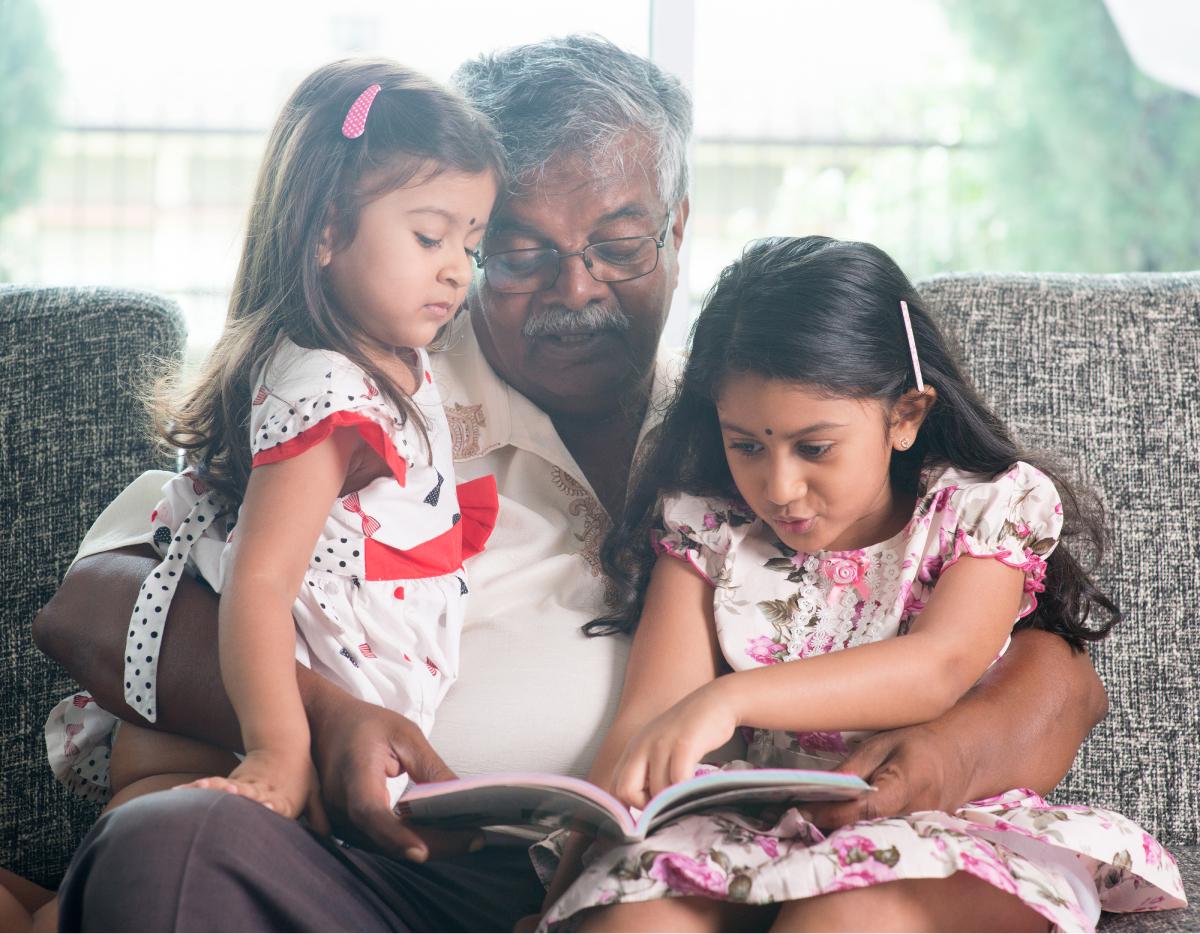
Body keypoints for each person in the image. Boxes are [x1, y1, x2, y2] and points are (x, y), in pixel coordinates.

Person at [32, 37, 1109, 932]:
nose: (576, 288)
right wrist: (326, 715)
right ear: (460, 243)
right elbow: (91, 608)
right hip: (390, 874)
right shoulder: (363, 397)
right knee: (168, 843)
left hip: (675, 881)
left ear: (678, 232)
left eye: (619, 244)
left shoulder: (758, 432)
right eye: (521, 253)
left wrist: (953, 749)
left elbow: (1037, 653)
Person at [534, 236, 1186, 932]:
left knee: (849, 914)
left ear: (905, 416)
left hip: (938, 823)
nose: (778, 487)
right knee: (637, 921)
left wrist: (730, 699)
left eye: (815, 448)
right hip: (753, 830)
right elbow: (648, 722)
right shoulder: (709, 527)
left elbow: (937, 667)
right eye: (746, 444)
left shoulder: (978, 512)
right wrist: (569, 885)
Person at [2, 58, 505, 931]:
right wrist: (277, 750)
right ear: (326, 230)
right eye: (430, 238)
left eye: (473, 243)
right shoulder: (330, 392)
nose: (458, 270)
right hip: (219, 730)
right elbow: (263, 581)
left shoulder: (378, 369)